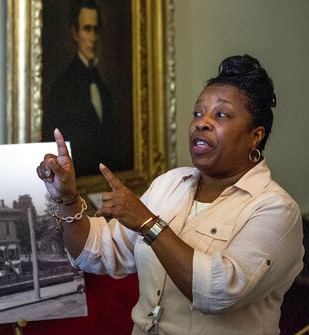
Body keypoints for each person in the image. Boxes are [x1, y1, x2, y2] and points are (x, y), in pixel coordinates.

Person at [36, 55, 304, 334]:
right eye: (198, 113)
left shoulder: (275, 210)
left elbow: (219, 291)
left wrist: (147, 223)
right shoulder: (171, 184)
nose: (202, 123)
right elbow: (96, 253)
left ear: (255, 136)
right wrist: (67, 197)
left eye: (220, 115)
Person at [42, 0, 122, 177]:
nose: (93, 37)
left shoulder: (102, 84)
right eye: (87, 29)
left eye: (96, 29)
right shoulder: (63, 87)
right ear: (75, 33)